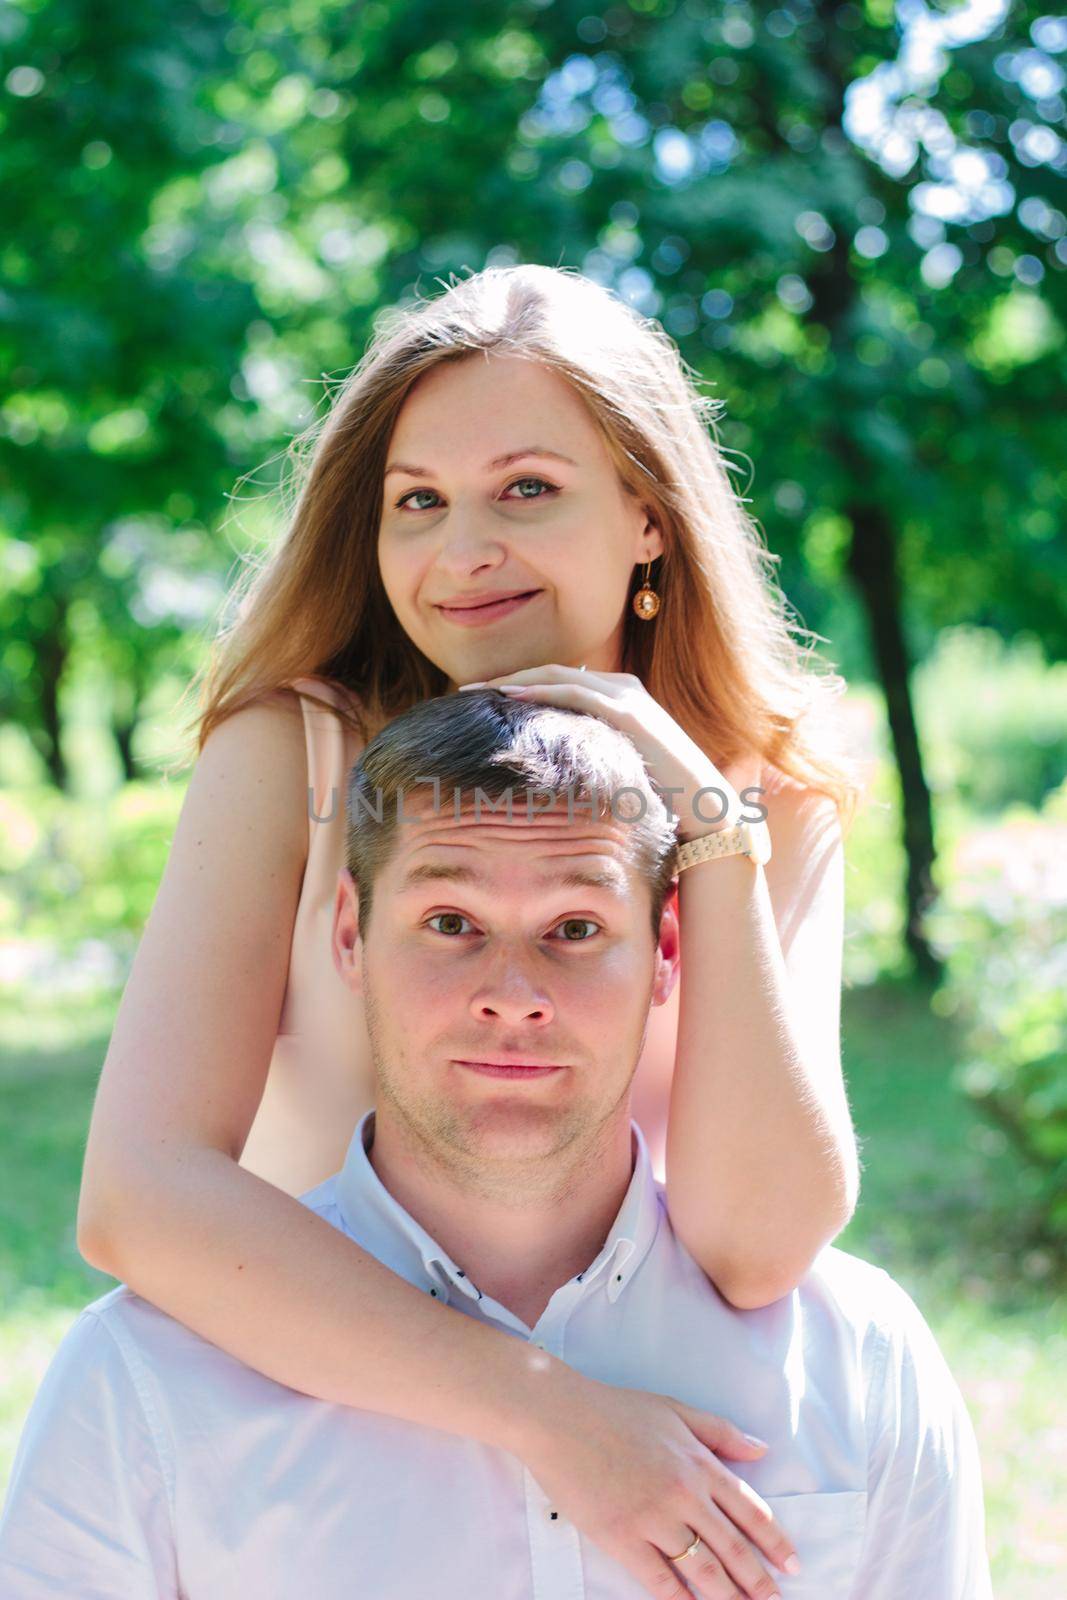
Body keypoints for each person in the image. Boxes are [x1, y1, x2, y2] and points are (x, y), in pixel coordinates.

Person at [74, 263, 865, 1583]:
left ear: (648, 516)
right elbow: (139, 1199)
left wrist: (709, 830)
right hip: (314, 1467)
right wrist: (549, 1416)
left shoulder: (764, 797)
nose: (457, 556)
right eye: (417, 503)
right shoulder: (293, 754)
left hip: (674, 1489)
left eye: (526, 491)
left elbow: (756, 1241)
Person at [1, 692, 992, 1600]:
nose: (512, 991)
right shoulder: (143, 1382)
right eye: (448, 921)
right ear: (349, 934)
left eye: (573, 925)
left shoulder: (857, 1360)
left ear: (664, 957)